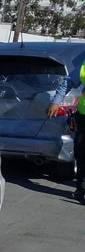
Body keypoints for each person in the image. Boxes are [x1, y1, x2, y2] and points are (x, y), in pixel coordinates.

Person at [46, 56, 85, 203]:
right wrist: (56, 102)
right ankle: (81, 189)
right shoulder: (84, 64)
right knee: (81, 153)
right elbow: (68, 82)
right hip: (83, 116)